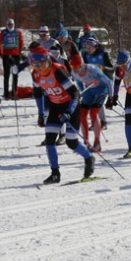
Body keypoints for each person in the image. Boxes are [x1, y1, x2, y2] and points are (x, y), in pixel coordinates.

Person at [28, 48, 95, 183]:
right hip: (55, 106)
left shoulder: (57, 71)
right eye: (35, 65)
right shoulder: (36, 74)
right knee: (50, 140)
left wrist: (69, 112)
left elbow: (75, 94)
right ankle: (55, 173)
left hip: (71, 105)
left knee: (71, 142)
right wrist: (41, 114)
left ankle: (89, 158)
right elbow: (38, 94)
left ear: (47, 61)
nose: (39, 68)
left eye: (41, 64)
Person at [70, 52, 114, 151]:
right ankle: (86, 142)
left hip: (101, 89)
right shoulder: (73, 72)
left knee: (93, 113)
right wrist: (81, 93)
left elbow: (109, 82)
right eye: (73, 67)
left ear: (81, 65)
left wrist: (111, 98)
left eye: (77, 67)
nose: (76, 70)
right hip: (89, 90)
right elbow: (79, 82)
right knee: (82, 114)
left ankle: (97, 142)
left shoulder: (92, 69)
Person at [0, 19, 25, 97]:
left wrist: (19, 52)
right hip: (6, 55)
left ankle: (14, 92)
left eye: (11, 24)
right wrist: (0, 52)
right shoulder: (3, 32)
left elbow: (21, 42)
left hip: (15, 55)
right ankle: (6, 93)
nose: (10, 26)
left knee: (15, 74)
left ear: (14, 24)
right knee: (6, 74)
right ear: (6, 25)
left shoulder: (18, 32)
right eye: (9, 24)